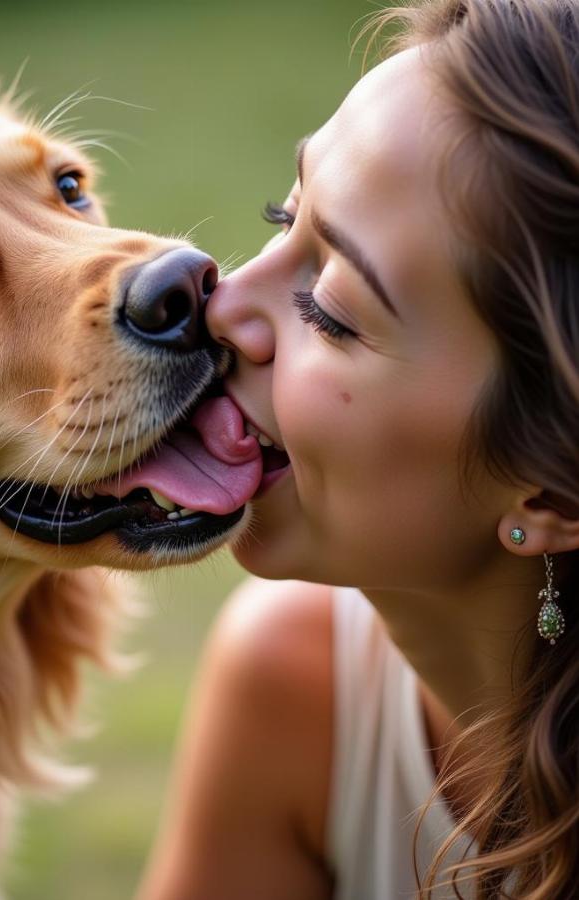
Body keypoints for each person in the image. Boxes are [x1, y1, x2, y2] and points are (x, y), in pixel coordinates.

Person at [137, 1, 579, 898]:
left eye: (330, 309)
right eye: (281, 212)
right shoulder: (293, 684)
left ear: (554, 498)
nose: (220, 303)